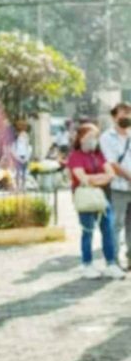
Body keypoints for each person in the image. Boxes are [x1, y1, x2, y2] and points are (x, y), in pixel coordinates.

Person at [68, 123, 125, 280]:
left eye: (95, 137)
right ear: (80, 138)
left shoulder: (99, 155)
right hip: (85, 199)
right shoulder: (75, 156)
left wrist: (94, 179)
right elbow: (83, 179)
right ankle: (87, 264)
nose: (93, 140)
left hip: (102, 199)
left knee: (108, 231)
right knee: (87, 232)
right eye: (89, 136)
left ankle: (111, 264)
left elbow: (111, 174)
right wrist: (100, 178)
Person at [100, 103, 131, 267]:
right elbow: (111, 163)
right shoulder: (107, 137)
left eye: (129, 113)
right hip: (117, 188)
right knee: (115, 225)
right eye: (123, 113)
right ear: (114, 116)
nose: (127, 116)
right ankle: (113, 261)